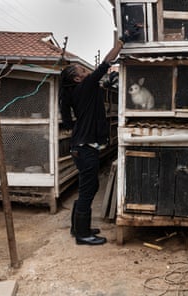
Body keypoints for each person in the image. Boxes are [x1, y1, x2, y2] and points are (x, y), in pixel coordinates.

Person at [59, 40, 123, 245]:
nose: (86, 70)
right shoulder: (85, 86)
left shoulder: (82, 89)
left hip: (81, 146)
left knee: (88, 186)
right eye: (82, 70)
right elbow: (106, 62)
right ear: (77, 78)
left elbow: (101, 80)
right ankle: (82, 235)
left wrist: (108, 81)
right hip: (85, 148)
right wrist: (121, 42)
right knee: (89, 188)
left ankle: (77, 227)